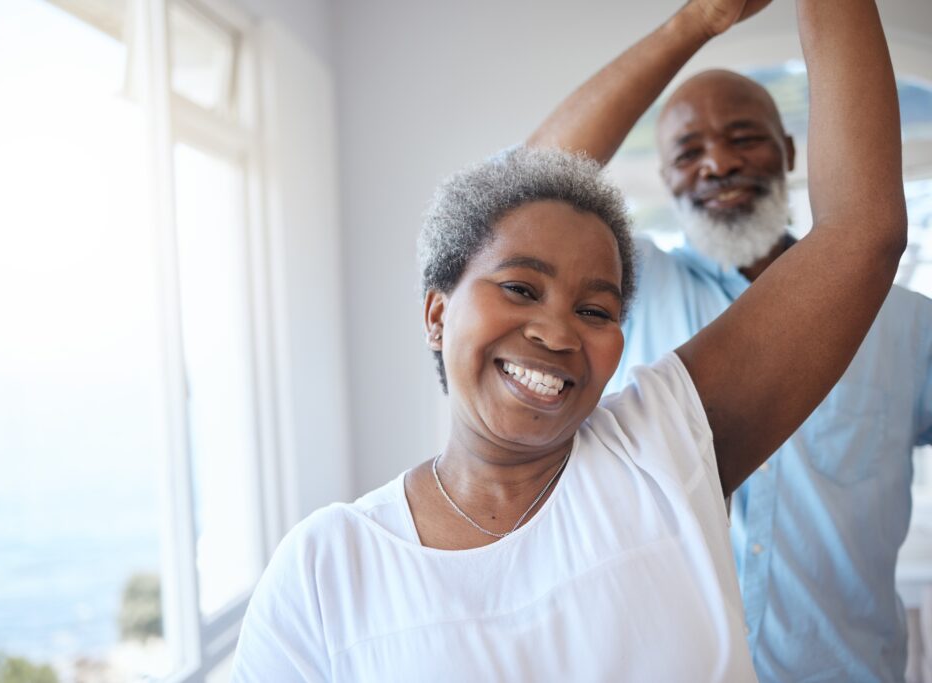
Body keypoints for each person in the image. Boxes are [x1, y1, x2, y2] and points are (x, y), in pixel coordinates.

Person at [232, 0, 905, 680]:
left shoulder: (662, 447)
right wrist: (694, 21)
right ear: (436, 312)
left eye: (595, 309)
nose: (557, 331)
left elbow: (860, 236)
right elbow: (518, 190)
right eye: (521, 288)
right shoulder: (324, 570)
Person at [527, 0, 932, 681]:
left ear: (789, 151)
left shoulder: (905, 324)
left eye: (743, 136)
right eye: (688, 151)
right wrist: (696, 22)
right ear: (666, 180)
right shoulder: (630, 288)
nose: (717, 162)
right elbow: (525, 195)